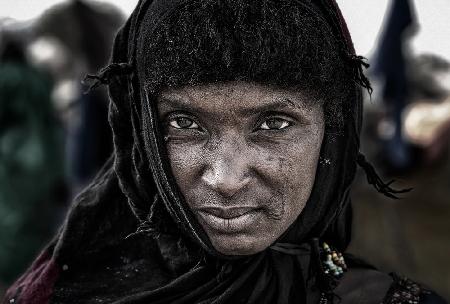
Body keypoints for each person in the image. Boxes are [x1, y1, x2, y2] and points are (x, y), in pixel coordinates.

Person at [4, 0, 447, 303]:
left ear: (333, 132)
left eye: (274, 124)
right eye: (185, 124)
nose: (225, 178)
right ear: (141, 132)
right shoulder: (69, 290)